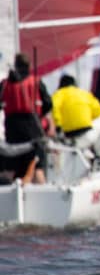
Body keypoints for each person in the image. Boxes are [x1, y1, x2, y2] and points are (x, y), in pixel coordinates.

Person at [0, 53, 51, 184]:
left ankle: (8, 191)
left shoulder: (4, 84)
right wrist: (41, 116)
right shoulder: (36, 82)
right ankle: (42, 190)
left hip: (12, 130)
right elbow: (48, 104)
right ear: (29, 66)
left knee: (12, 168)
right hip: (32, 128)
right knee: (37, 166)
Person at [51, 75, 100, 163]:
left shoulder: (57, 95)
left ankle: (88, 153)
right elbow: (99, 111)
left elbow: (54, 110)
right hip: (86, 136)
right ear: (74, 84)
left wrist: (58, 126)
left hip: (68, 139)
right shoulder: (83, 93)